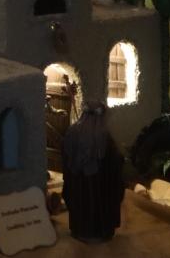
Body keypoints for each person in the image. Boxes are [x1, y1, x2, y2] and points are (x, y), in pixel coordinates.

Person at [61, 102, 125, 244]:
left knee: (81, 200)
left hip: (78, 183)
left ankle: (80, 230)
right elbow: (114, 160)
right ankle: (98, 232)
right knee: (98, 201)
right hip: (100, 185)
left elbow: (65, 155)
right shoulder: (104, 135)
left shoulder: (72, 131)